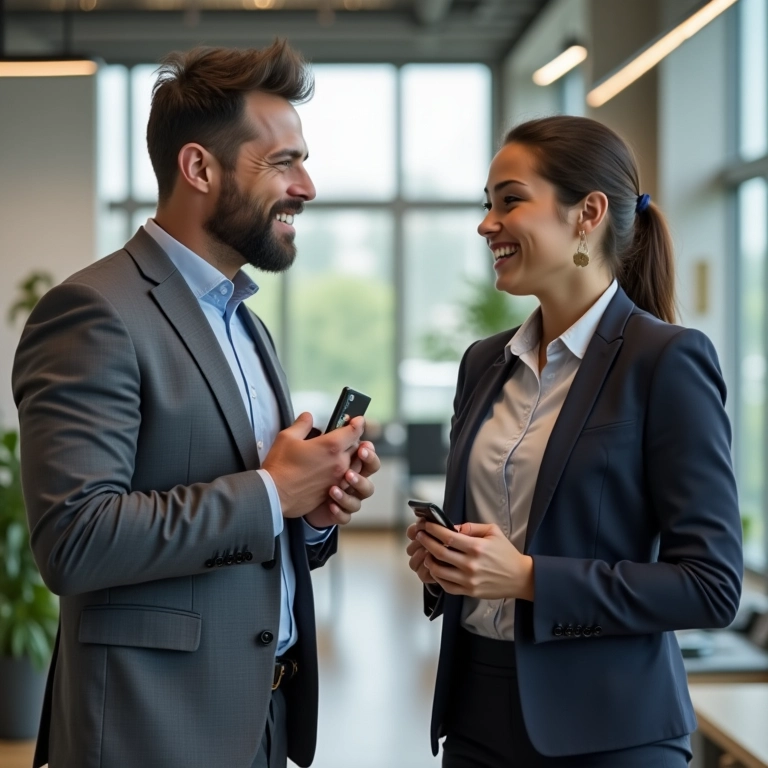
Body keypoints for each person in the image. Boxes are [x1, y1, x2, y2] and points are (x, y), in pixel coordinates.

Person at [13, 41, 380, 768]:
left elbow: (252, 525)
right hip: (150, 730)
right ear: (199, 168)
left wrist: (308, 512)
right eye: (283, 161)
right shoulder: (92, 311)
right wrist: (274, 493)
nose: (306, 185)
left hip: (261, 718)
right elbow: (75, 540)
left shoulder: (245, 320)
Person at [405, 115, 743, 767]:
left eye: (510, 200)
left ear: (586, 213)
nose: (486, 224)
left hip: (611, 733)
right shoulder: (483, 363)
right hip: (475, 718)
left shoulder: (666, 360)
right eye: (486, 204)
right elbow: (494, 547)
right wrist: (448, 564)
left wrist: (529, 578)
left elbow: (710, 585)